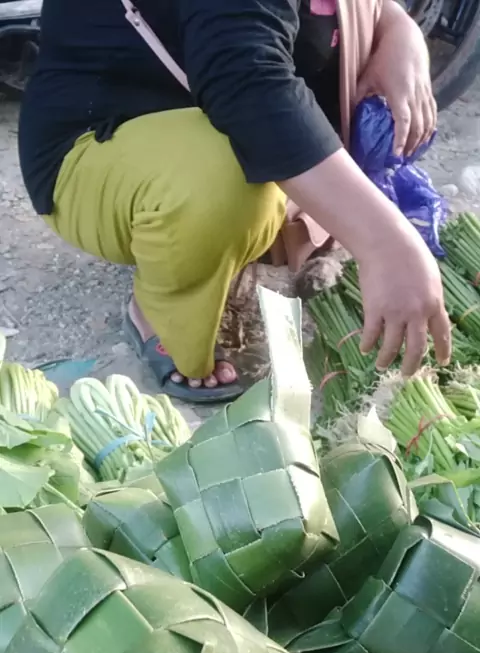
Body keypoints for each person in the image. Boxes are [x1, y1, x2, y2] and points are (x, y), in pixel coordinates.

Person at [18, 0, 451, 404]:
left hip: (205, 118)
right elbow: (248, 84)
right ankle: (156, 310)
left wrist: (399, 30)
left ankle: (219, 238)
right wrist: (385, 244)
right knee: (235, 179)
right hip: (97, 142)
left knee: (266, 164)